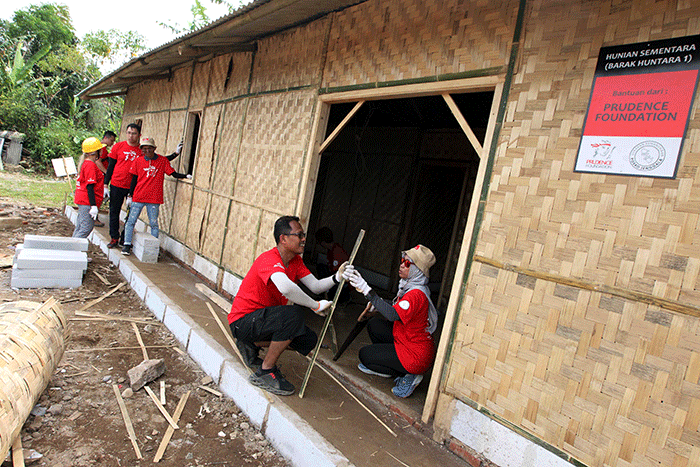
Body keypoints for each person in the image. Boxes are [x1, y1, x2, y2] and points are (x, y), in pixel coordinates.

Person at [228, 216, 346, 396]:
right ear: (283, 238)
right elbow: (286, 288)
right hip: (243, 322)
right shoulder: (269, 259)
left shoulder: (296, 261)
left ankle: (250, 344)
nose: (304, 239)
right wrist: (315, 305)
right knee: (293, 315)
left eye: (303, 235)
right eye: (299, 235)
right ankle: (266, 371)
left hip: (262, 321)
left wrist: (337, 277)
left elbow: (315, 285)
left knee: (308, 340)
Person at [342, 245, 438, 398]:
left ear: (416, 270)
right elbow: (395, 308)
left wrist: (367, 290)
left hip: (415, 355)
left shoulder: (416, 294)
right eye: (402, 260)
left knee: (365, 356)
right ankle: (390, 362)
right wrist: (377, 304)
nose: (401, 265)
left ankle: (409, 374)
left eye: (407, 263)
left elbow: (393, 315)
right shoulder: (412, 287)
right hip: (408, 341)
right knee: (375, 325)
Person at [120, 137, 190, 256]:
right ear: (142, 150)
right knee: (131, 221)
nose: (147, 151)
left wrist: (186, 176)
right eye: (144, 149)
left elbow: (172, 173)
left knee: (153, 223)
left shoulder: (162, 161)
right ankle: (126, 245)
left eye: (150, 148)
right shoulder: (138, 161)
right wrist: (130, 195)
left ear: (154, 149)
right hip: (138, 196)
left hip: (154, 198)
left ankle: (153, 248)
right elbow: (134, 179)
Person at [104, 123, 142, 248]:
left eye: (134, 133)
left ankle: (125, 238)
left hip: (133, 187)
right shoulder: (118, 147)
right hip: (116, 184)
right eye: (129, 133)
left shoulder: (141, 151)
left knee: (131, 215)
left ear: (139, 135)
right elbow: (110, 166)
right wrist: (105, 184)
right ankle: (114, 237)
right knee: (114, 211)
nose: (131, 136)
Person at [72, 137, 106, 238]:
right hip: (86, 201)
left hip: (84, 200)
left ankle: (72, 247)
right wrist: (93, 205)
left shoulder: (87, 164)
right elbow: (90, 187)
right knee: (86, 228)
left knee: (80, 227)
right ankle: (74, 248)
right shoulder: (90, 165)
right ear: (95, 152)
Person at [315, 226, 350, 303]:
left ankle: (330, 295)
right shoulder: (331, 250)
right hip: (335, 276)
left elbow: (337, 273)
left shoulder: (337, 252)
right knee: (321, 267)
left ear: (323, 242)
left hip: (342, 284)